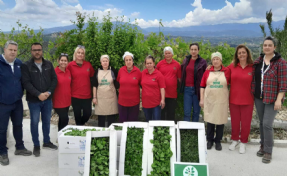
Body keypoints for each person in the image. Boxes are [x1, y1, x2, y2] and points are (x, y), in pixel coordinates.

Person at [252, 36, 287, 163]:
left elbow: (283, 83)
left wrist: (279, 99)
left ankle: (268, 151)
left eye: (269, 45)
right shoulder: (259, 60)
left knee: (267, 124)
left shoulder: (280, 62)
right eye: (265, 45)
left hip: (272, 98)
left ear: (274, 47)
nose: (267, 47)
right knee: (261, 123)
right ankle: (262, 145)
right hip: (259, 97)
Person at [21, 42, 58, 157]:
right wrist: (38, 94)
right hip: (34, 101)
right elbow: (26, 83)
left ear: (42, 51)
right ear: (31, 52)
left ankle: (46, 142)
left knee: (47, 121)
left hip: (47, 99)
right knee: (34, 122)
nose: (37, 52)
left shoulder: (48, 64)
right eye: (34, 50)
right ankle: (36, 145)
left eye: (39, 49)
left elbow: (54, 80)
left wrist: (48, 92)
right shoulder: (26, 66)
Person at [0, 40, 32, 166]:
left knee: (18, 125)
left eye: (15, 50)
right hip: (2, 103)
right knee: (2, 129)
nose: (13, 52)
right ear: (5, 50)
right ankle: (2, 152)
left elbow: (23, 81)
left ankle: (20, 147)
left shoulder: (19, 63)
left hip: (17, 102)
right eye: (10, 50)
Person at [199, 52, 230, 151]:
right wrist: (202, 99)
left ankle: (218, 141)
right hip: (210, 100)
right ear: (211, 61)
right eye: (214, 59)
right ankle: (210, 140)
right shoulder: (207, 71)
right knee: (210, 121)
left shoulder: (227, 71)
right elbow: (202, 86)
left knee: (220, 121)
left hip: (221, 100)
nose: (215, 61)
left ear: (221, 60)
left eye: (217, 59)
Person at [228, 45, 254, 154]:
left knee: (245, 123)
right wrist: (209, 68)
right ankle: (235, 140)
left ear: (247, 53)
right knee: (234, 122)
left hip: (248, 100)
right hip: (233, 99)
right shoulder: (231, 67)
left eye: (243, 52)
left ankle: (243, 142)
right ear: (237, 55)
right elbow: (220, 74)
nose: (242, 54)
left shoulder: (253, 67)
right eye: (239, 53)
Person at [67, 45, 95, 126]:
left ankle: (81, 125)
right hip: (75, 95)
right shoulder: (70, 65)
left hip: (87, 95)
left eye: (82, 53)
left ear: (84, 55)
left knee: (88, 114)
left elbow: (93, 77)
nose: (80, 54)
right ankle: (79, 131)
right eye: (78, 53)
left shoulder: (88, 65)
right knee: (77, 116)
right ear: (75, 54)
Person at [180, 43, 207, 122]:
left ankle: (194, 131)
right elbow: (182, 72)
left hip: (197, 90)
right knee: (187, 112)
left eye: (195, 49)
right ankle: (186, 131)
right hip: (187, 89)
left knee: (196, 112)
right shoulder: (186, 60)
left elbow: (206, 75)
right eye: (192, 49)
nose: (193, 51)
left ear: (198, 50)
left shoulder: (203, 62)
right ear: (190, 50)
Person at [92, 55, 119, 127]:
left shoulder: (113, 71)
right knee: (101, 119)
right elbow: (94, 85)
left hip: (111, 98)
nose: (105, 63)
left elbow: (118, 83)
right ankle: (101, 136)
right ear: (101, 62)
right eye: (103, 61)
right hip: (100, 99)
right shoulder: (97, 71)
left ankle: (111, 136)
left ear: (108, 62)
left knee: (111, 119)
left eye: (106, 61)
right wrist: (94, 97)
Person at [157, 47, 181, 121]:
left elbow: (179, 79)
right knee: (161, 113)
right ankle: (162, 130)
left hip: (172, 93)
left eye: (169, 53)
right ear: (164, 54)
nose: (167, 55)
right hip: (161, 94)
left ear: (172, 54)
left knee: (171, 114)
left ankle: (171, 130)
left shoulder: (177, 65)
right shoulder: (160, 64)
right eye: (166, 53)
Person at [117, 52, 141, 122]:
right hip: (122, 102)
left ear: (133, 61)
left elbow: (142, 84)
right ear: (124, 62)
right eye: (126, 60)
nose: (128, 62)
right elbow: (118, 82)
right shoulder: (121, 70)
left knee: (132, 123)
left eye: (130, 60)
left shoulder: (138, 71)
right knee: (122, 122)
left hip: (134, 103)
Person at [141, 55, 166, 121]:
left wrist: (162, 100)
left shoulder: (159, 74)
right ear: (145, 64)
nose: (149, 65)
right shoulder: (143, 73)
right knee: (148, 122)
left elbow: (162, 88)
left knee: (156, 123)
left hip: (156, 104)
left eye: (150, 63)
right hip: (146, 103)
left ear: (154, 63)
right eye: (147, 63)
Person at [52, 54, 71, 131]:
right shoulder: (54, 72)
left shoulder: (68, 72)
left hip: (67, 100)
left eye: (65, 60)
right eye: (62, 60)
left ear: (68, 62)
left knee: (62, 119)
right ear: (58, 61)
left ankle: (60, 136)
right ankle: (63, 135)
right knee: (65, 118)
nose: (63, 62)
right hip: (58, 101)